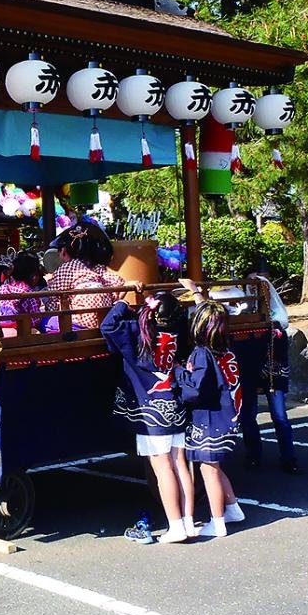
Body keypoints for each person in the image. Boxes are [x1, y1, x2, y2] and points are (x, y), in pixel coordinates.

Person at [102, 292, 195, 544]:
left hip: (150, 410)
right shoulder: (180, 332)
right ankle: (187, 521)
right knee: (180, 465)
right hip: (175, 404)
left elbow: (107, 325)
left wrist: (122, 301)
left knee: (162, 467)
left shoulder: (136, 332)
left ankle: (175, 525)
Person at [176, 299, 246, 539]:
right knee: (215, 467)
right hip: (227, 416)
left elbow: (195, 391)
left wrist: (179, 373)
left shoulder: (200, 354)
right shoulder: (225, 351)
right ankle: (233, 508)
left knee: (208, 469)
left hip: (209, 420)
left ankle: (217, 522)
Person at [233, 260, 300, 474]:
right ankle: (254, 454)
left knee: (279, 415)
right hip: (248, 369)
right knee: (248, 413)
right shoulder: (239, 312)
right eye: (250, 284)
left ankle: (288, 456)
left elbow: (280, 341)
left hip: (273, 371)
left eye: (260, 284)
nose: (255, 287)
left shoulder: (278, 321)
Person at [49, 221, 125, 330]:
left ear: (64, 251)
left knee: (47, 321)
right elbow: (119, 283)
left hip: (81, 321)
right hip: (103, 319)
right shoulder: (98, 268)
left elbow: (53, 295)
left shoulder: (67, 268)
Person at [0, 250, 54, 332]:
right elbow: (35, 320)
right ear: (34, 276)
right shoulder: (29, 294)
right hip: (18, 331)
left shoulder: (2, 288)